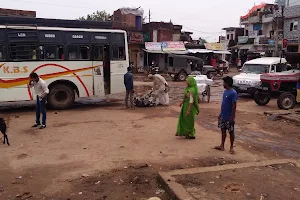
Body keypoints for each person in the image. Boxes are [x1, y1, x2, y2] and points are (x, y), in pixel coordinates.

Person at [214, 76, 238, 154]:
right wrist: (221, 114)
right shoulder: (225, 92)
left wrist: (232, 116)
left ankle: (231, 147)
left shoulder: (233, 93)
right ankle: (222, 145)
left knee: (231, 132)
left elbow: (234, 105)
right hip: (223, 115)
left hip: (229, 116)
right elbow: (223, 104)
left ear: (227, 83)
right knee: (223, 130)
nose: (223, 84)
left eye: (224, 83)